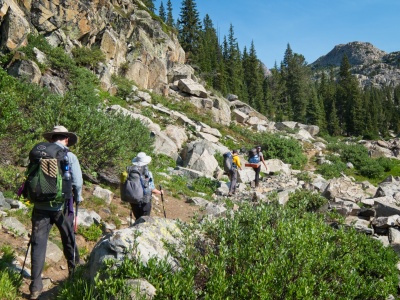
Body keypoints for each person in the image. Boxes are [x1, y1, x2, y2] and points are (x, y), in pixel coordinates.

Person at [29, 126, 83, 300]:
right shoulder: (69, 156)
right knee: (69, 239)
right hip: (62, 207)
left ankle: (35, 287)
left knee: (38, 244)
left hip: (40, 206)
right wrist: (78, 199)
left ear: (52, 139)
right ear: (66, 139)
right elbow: (77, 182)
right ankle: (75, 276)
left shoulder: (40, 154)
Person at [130, 152, 163, 220]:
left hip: (133, 200)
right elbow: (151, 188)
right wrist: (160, 192)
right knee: (144, 220)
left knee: (137, 218)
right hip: (145, 201)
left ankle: (136, 230)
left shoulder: (131, 172)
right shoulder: (148, 174)